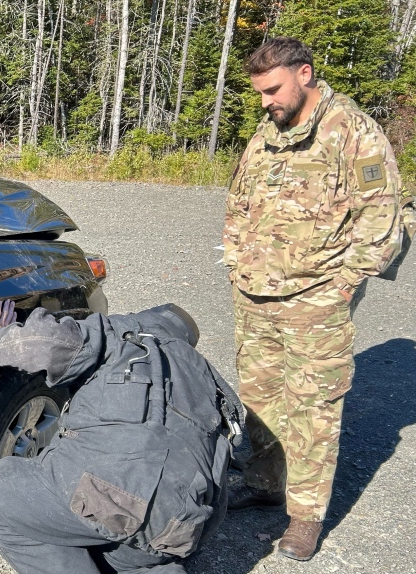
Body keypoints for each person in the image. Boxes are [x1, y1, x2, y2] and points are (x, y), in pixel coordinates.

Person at [223, 37, 404, 561]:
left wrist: (343, 286)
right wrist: (237, 262)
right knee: (259, 398)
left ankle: (304, 516)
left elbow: (382, 223)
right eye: (260, 93)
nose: (265, 102)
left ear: (305, 74)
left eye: (273, 90)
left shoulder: (354, 132)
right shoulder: (270, 129)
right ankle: (263, 482)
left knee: (312, 409)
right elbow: (240, 198)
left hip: (316, 301)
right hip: (255, 294)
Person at [0, 300, 244, 574]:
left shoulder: (121, 333)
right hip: (187, 525)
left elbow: (46, 342)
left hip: (119, 496)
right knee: (115, 541)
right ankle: (151, 569)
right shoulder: (206, 375)